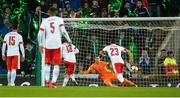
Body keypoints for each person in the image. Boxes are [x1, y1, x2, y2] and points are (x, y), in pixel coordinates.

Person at [38, 7, 71, 87]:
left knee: (47, 64)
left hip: (47, 44)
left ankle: (46, 82)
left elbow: (39, 34)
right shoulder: (59, 19)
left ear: (49, 13)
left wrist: (40, 44)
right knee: (56, 64)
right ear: (56, 12)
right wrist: (69, 40)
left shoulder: (45, 21)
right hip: (57, 44)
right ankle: (52, 82)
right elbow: (63, 31)